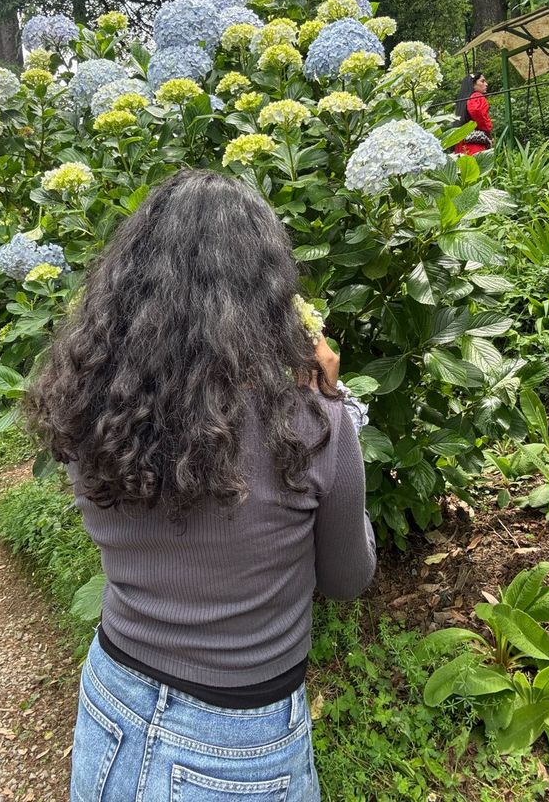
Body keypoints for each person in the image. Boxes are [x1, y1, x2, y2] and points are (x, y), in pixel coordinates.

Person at [27, 169, 376, 802]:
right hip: (241, 742)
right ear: (267, 292)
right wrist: (338, 401)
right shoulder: (311, 427)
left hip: (110, 704)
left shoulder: (89, 411)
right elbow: (348, 580)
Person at [453, 72, 493, 154]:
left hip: (461, 144)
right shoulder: (476, 96)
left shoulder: (462, 101)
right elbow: (477, 111)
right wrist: (488, 130)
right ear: (473, 84)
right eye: (482, 81)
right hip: (475, 144)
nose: (486, 84)